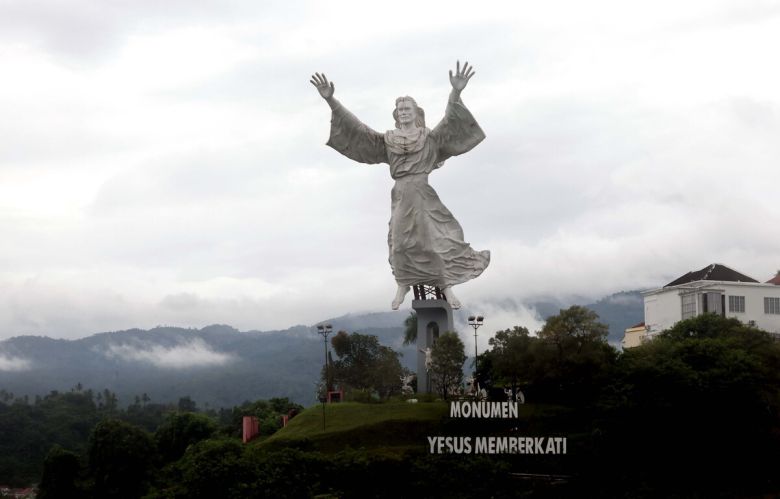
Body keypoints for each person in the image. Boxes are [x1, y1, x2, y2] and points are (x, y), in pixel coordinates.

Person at [310, 61, 490, 310]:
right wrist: (332, 100)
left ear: (416, 113)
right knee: (399, 243)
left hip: (422, 193)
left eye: (407, 108)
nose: (403, 111)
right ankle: (402, 285)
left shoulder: (429, 138)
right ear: (396, 115)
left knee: (431, 243)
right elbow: (357, 130)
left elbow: (450, 121)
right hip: (401, 193)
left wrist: (456, 92)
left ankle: (446, 287)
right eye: (399, 108)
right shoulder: (388, 140)